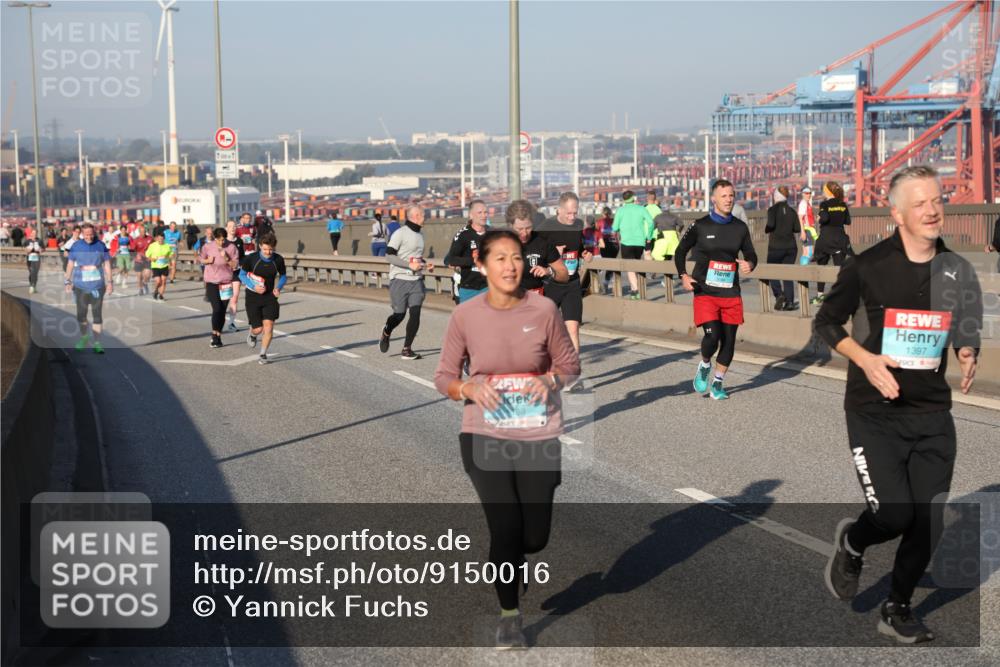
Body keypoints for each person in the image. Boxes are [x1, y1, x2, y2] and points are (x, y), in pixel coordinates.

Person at [816, 165, 981, 644]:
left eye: (937, 200)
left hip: (931, 412)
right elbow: (827, 323)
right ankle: (853, 540)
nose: (932, 210)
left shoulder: (956, 268)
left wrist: (967, 349)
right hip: (874, 413)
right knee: (894, 515)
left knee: (927, 520)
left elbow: (965, 315)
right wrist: (865, 360)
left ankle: (897, 606)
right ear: (897, 214)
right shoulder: (867, 267)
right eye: (920, 203)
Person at [433, 229, 580, 650]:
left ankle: (516, 562)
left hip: (538, 432)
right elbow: (444, 375)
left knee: (533, 538)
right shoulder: (466, 315)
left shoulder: (546, 308)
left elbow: (570, 365)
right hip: (484, 432)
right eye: (500, 258)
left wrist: (552, 378)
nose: (510, 266)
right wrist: (467, 389)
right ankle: (509, 618)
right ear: (482, 263)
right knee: (505, 527)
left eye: (515, 257)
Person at [674, 178, 757, 400]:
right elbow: (680, 251)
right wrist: (683, 275)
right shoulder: (700, 225)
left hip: (730, 293)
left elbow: (751, 254)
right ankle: (704, 364)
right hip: (705, 291)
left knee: (729, 341)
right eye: (724, 196)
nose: (729, 199)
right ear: (713, 199)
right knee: (713, 337)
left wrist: (750, 263)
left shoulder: (739, 227)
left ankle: (718, 384)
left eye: (731, 195)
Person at [535, 192, 593, 361]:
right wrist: (553, 255)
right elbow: (534, 255)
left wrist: (585, 254)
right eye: (568, 213)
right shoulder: (546, 228)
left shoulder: (577, 226)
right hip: (551, 284)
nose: (572, 216)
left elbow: (579, 247)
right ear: (558, 210)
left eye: (575, 213)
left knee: (573, 328)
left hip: (572, 284)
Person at [378, 205, 434, 360]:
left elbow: (414, 257)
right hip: (399, 279)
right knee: (399, 315)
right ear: (415, 216)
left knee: (415, 313)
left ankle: (407, 349)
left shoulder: (420, 234)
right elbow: (389, 256)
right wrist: (409, 265)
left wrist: (425, 263)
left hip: (416, 280)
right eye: (423, 215)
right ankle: (386, 331)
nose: (425, 218)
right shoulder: (400, 233)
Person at [63, 223, 113, 354]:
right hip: (80, 287)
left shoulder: (100, 245)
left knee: (97, 315)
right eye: (86, 235)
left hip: (97, 286)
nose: (89, 237)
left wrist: (110, 282)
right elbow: (70, 264)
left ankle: (97, 343)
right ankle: (84, 337)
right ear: (81, 234)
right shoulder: (76, 246)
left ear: (94, 232)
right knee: (81, 316)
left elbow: (107, 264)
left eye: (91, 234)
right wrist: (67, 280)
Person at [240, 231, 287, 364]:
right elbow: (242, 275)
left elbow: (283, 276)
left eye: (270, 249)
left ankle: (263, 354)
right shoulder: (251, 259)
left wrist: (278, 288)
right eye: (265, 249)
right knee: (258, 329)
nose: (268, 252)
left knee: (269, 326)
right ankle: (252, 333)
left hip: (270, 297)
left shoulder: (278, 259)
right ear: (260, 246)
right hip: (253, 296)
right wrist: (253, 286)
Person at [507, 199, 568, 295]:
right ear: (510, 226)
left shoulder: (543, 242)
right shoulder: (501, 244)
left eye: (528, 228)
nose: (524, 233)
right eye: (519, 229)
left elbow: (564, 275)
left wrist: (549, 271)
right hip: (511, 301)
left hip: (537, 300)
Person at [811, 181, 853, 304]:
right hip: (839, 240)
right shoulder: (842, 204)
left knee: (822, 268)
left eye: (825, 189)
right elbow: (848, 221)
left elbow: (825, 218)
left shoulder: (824, 204)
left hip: (826, 240)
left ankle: (819, 296)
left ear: (828, 191)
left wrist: (819, 218)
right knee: (839, 270)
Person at [199, 227, 239, 348]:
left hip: (226, 282)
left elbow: (235, 265)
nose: (221, 242)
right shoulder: (207, 246)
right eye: (219, 240)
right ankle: (214, 335)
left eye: (223, 240)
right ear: (215, 238)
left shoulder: (231, 247)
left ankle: (218, 335)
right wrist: (207, 260)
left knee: (222, 311)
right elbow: (200, 259)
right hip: (211, 282)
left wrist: (226, 257)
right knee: (216, 309)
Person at [612, 190, 655, 299]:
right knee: (635, 264)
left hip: (626, 242)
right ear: (634, 198)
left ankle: (635, 290)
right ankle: (634, 289)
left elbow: (614, 228)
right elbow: (650, 222)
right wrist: (649, 236)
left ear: (624, 200)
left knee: (630, 267)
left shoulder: (620, 211)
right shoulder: (641, 209)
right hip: (640, 242)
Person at [445, 199, 489, 303]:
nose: (484, 215)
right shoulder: (462, 235)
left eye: (485, 212)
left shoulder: (492, 233)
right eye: (480, 212)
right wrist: (473, 260)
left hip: (488, 287)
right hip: (469, 288)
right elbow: (452, 259)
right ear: (471, 215)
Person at [764, 186, 801, 311]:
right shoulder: (791, 211)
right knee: (787, 274)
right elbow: (797, 229)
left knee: (771, 271)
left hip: (776, 247)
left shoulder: (772, 210)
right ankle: (790, 302)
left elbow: (770, 224)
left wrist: (767, 229)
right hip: (791, 247)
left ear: (776, 196)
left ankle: (779, 294)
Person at [225, 219, 245, 332]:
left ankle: (231, 323)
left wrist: (240, 264)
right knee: (224, 299)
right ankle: (220, 318)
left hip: (236, 273)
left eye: (234, 226)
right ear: (226, 228)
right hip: (223, 274)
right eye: (230, 226)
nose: (233, 228)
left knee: (235, 297)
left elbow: (242, 256)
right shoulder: (222, 242)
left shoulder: (239, 241)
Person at [144, 230, 174, 301]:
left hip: (164, 265)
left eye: (162, 239)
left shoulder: (167, 246)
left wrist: (167, 257)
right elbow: (147, 255)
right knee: (158, 281)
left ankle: (161, 295)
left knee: (163, 280)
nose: (160, 240)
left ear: (164, 239)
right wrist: (152, 259)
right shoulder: (152, 245)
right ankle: (156, 290)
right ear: (157, 238)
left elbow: (171, 254)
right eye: (159, 239)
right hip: (155, 266)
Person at [596, 206, 619, 291]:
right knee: (611, 264)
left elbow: (595, 234)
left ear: (602, 213)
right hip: (615, 245)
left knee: (604, 263)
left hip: (604, 245)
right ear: (610, 213)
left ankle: (600, 282)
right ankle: (607, 282)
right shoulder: (614, 221)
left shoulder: (599, 222)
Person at [110, 224, 134, 288]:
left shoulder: (129, 237)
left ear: (126, 230)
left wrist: (130, 248)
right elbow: (113, 244)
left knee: (127, 269)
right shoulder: (117, 237)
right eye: (122, 230)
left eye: (124, 230)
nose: (123, 231)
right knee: (121, 267)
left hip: (127, 254)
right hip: (120, 254)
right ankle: (118, 275)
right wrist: (115, 251)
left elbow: (132, 244)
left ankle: (124, 283)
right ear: (120, 230)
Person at [131, 225, 152, 296]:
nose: (143, 233)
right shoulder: (136, 240)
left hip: (147, 259)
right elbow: (132, 251)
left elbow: (155, 246)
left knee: (147, 275)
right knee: (139, 276)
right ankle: (141, 289)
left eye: (144, 231)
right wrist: (136, 256)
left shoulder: (150, 238)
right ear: (139, 232)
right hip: (138, 260)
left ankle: (145, 283)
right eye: (141, 232)